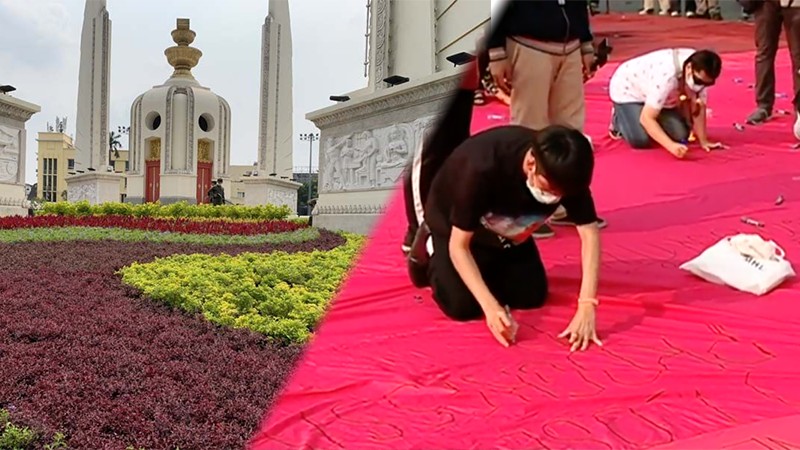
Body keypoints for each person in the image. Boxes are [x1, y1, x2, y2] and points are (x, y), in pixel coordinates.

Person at [408, 125, 603, 351]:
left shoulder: (568, 174)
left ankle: (488, 264)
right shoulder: (480, 167)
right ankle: (428, 249)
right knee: (462, 306)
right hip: (455, 229)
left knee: (532, 296)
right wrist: (491, 308)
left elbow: (589, 233)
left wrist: (588, 303)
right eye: (550, 190)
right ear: (531, 165)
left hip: (510, 231)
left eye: (561, 195)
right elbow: (459, 246)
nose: (555, 198)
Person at [486, 0, 604, 239]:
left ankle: (567, 203)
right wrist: (496, 51)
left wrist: (586, 43)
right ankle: (524, 209)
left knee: (571, 132)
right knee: (529, 128)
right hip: (528, 43)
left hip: (568, 45)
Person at [607, 48, 724, 158]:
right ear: (689, 68)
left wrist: (704, 141)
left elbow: (698, 107)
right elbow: (646, 118)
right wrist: (670, 146)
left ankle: (651, 111)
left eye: (707, 83)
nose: (700, 86)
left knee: (681, 134)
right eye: (698, 81)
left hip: (662, 98)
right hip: (628, 91)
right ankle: (618, 119)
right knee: (640, 140)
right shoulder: (667, 76)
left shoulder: (702, 72)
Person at [743, 0, 800, 130]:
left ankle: (799, 107)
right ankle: (763, 105)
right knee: (764, 52)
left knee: (799, 56)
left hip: (795, 4)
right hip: (765, 3)